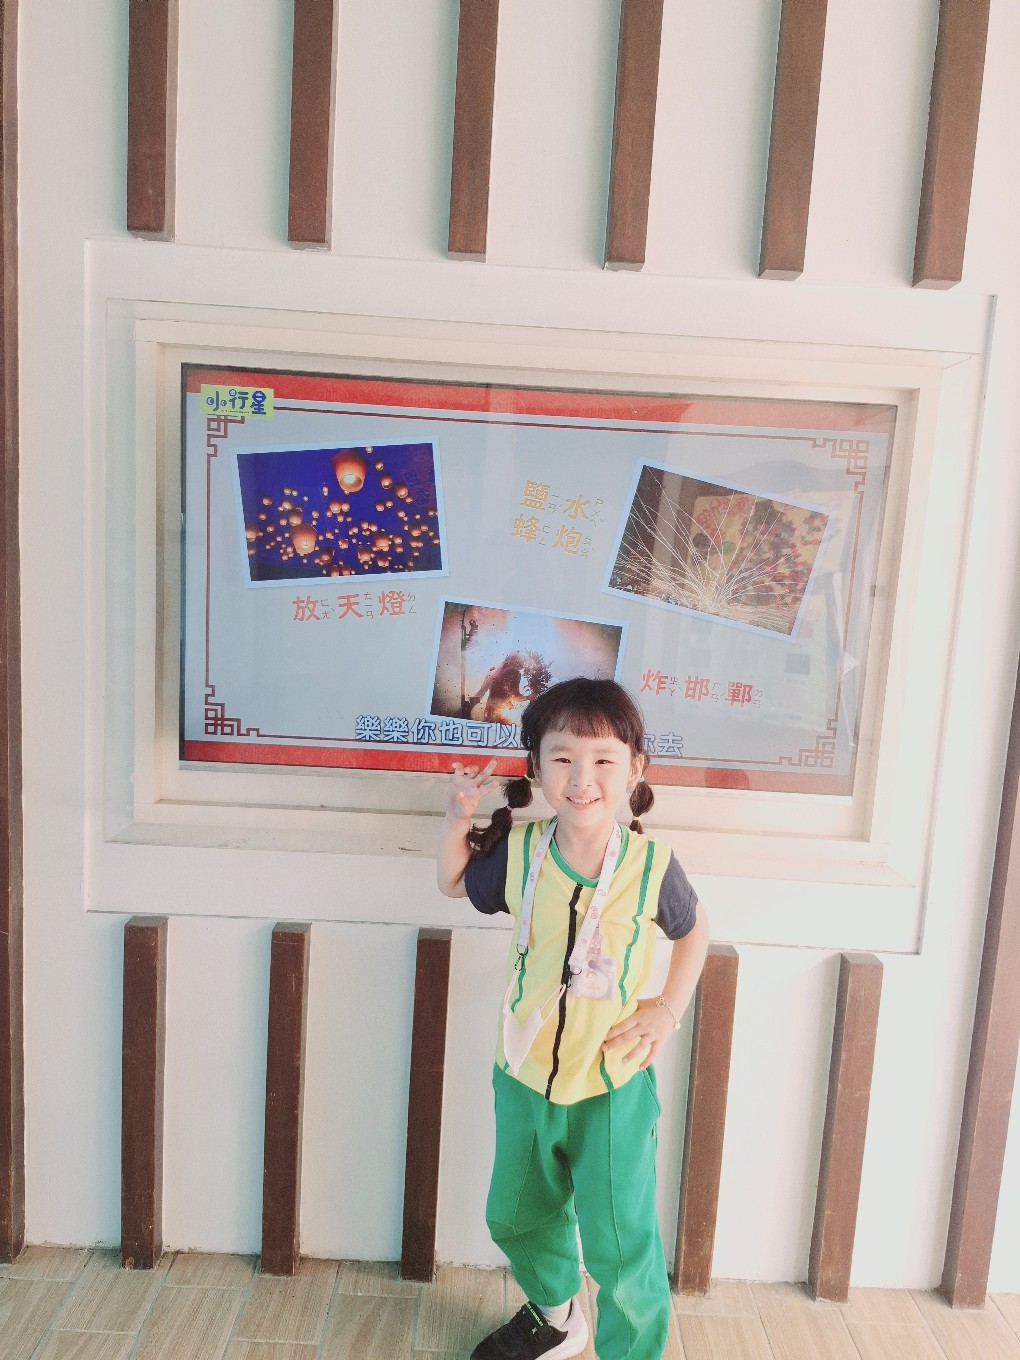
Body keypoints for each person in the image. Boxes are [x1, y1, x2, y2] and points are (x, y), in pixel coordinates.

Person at [437, 678, 709, 1360]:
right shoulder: (521, 851)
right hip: (523, 1073)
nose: (582, 778)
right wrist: (457, 817)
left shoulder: (651, 866)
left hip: (611, 1085)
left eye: (603, 760)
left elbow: (695, 933)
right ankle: (558, 1317)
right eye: (562, 758)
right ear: (535, 766)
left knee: (621, 1244)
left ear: (634, 769)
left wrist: (667, 1010)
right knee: (515, 1214)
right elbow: (453, 881)